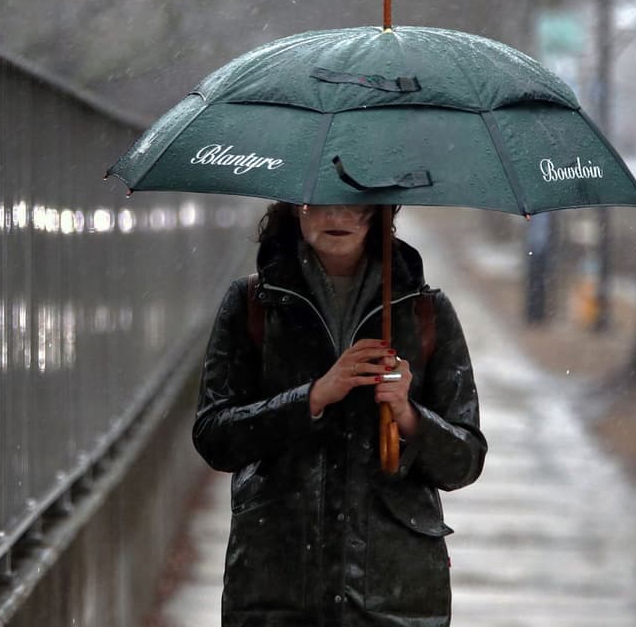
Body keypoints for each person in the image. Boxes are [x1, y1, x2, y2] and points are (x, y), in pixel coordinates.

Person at [194, 201, 487, 627]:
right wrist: (312, 397)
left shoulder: (424, 311)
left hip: (393, 599)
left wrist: (407, 413)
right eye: (318, 203)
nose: (336, 217)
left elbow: (465, 462)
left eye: (353, 204)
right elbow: (214, 437)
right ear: (295, 209)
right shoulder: (254, 304)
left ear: (380, 211)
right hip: (277, 589)